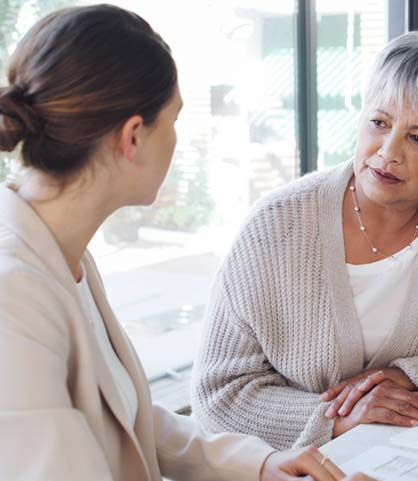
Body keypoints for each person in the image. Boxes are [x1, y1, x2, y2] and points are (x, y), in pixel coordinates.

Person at [0, 5, 367, 481]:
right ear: (132, 137)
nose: (175, 139)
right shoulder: (13, 299)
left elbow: (126, 417)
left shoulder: (64, 255)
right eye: (173, 120)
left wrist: (261, 465)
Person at [191, 31, 418, 450]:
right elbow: (216, 397)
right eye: (378, 123)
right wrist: (340, 416)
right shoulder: (275, 225)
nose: (388, 152)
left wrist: (410, 374)